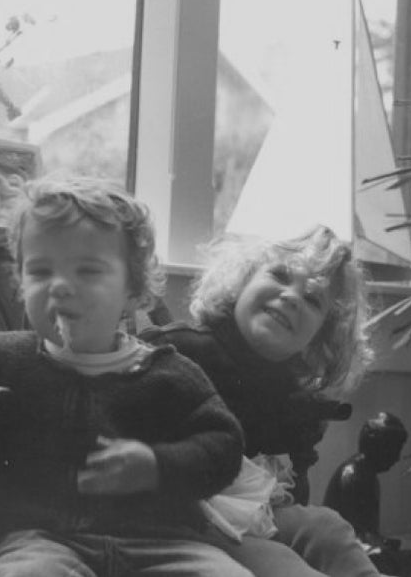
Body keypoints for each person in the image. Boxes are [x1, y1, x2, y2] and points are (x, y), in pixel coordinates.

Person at [0, 177, 251, 576]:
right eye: (41, 271)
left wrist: (158, 465)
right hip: (38, 542)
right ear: (20, 283)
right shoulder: (5, 356)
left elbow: (223, 446)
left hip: (166, 543)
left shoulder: (170, 374)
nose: (61, 286)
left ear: (134, 292)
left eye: (88, 271)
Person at [140, 226, 381, 577]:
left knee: (329, 527)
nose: (291, 297)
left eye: (313, 299)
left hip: (258, 513)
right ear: (240, 281)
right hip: (186, 511)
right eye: (280, 275)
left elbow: (293, 492)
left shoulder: (301, 402)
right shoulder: (180, 350)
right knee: (283, 564)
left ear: (322, 336)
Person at [325, 412, 411, 577]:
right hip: (341, 550)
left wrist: (382, 542)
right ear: (379, 447)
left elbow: (367, 529)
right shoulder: (353, 476)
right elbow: (352, 534)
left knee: (410, 559)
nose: (397, 458)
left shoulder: (366, 474)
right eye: (393, 450)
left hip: (357, 546)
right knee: (403, 561)